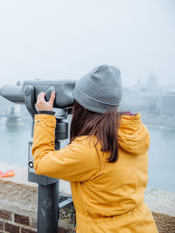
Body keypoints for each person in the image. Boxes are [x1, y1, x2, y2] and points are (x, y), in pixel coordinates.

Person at [32, 65, 158, 232]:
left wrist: (44, 117)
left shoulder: (89, 149)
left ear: (83, 106)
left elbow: (41, 163)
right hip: (142, 225)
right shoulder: (134, 132)